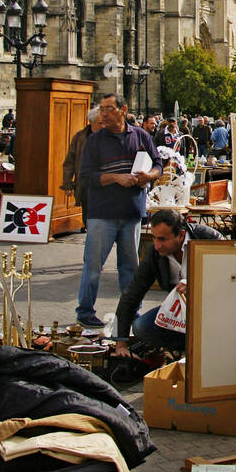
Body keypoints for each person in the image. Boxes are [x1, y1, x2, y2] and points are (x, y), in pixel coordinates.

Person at [75, 93, 161, 327]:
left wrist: (149, 176)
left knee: (130, 269)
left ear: (123, 110)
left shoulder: (141, 136)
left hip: (131, 213)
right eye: (102, 109)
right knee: (93, 266)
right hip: (103, 214)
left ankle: (131, 312)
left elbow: (158, 164)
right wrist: (115, 178)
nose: (103, 113)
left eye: (109, 108)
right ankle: (85, 312)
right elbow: (86, 177)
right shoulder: (95, 140)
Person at [114, 209, 222, 355]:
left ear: (181, 235)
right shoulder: (155, 253)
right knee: (141, 327)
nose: (157, 245)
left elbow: (231, 278)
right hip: (181, 312)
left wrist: (199, 284)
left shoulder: (209, 238)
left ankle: (204, 347)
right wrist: (121, 343)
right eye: (154, 238)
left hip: (214, 310)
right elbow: (132, 293)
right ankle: (187, 348)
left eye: (162, 239)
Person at [62, 105, 102, 216]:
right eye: (100, 123)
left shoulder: (110, 137)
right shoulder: (80, 137)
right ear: (91, 122)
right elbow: (70, 161)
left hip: (105, 184)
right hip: (85, 185)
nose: (103, 126)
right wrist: (67, 184)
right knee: (88, 217)